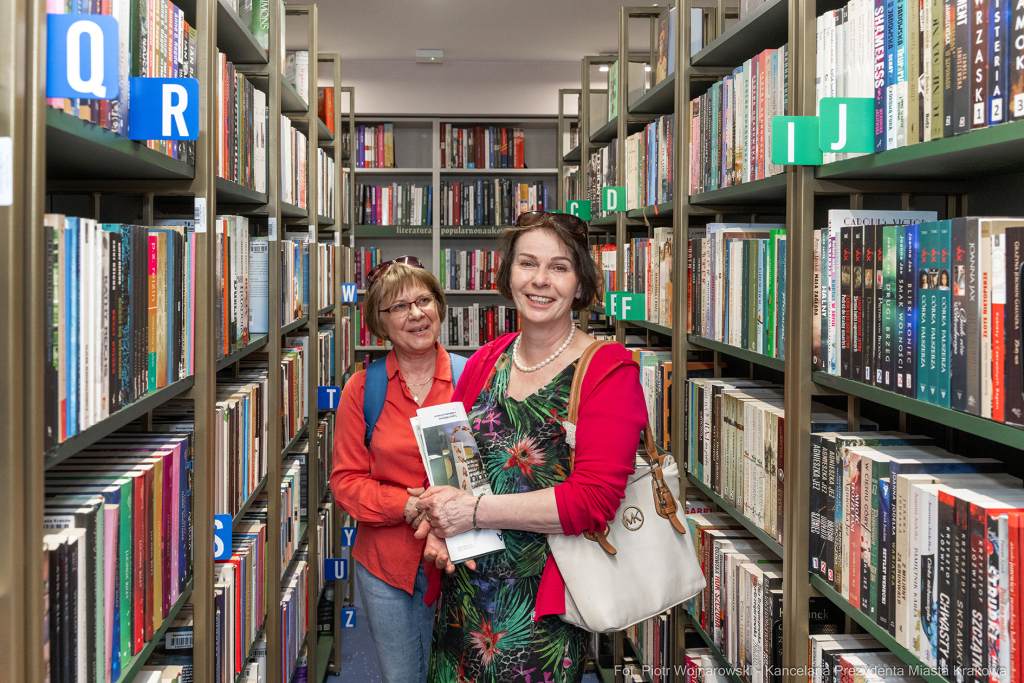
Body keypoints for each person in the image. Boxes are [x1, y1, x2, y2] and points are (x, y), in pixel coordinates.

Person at [413, 212, 649, 683]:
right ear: (508, 274)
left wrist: (473, 512)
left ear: (581, 283)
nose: (540, 280)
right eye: (527, 263)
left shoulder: (608, 371)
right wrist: (437, 522)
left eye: (559, 267)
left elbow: (593, 501)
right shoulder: (486, 359)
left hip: (542, 617)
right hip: (462, 603)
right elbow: (452, 466)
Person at [330, 255, 454, 683]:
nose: (416, 314)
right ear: (380, 323)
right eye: (399, 307)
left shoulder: (472, 377)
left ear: (439, 306)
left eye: (424, 300)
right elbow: (344, 483)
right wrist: (405, 505)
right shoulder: (363, 389)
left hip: (462, 560)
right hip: (387, 565)